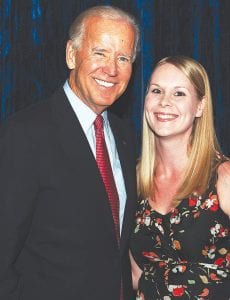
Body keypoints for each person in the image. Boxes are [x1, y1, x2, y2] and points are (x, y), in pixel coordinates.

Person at [0, 6, 139, 300]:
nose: (111, 69)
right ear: (71, 55)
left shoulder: (126, 137)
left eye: (123, 58)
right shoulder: (23, 135)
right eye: (100, 52)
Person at [130, 56, 230, 299]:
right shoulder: (132, 181)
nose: (164, 102)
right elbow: (134, 276)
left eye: (179, 93)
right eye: (156, 91)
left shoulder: (223, 177)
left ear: (200, 106)